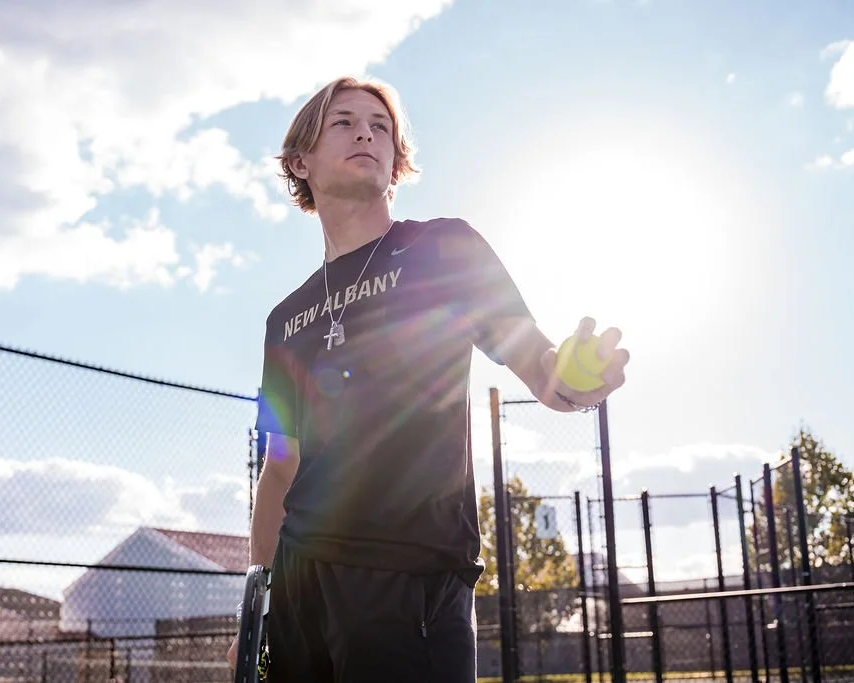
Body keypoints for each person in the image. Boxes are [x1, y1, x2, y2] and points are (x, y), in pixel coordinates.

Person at [227, 75, 629, 682]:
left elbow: (542, 367)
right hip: (298, 588)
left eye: (380, 125)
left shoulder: (443, 248)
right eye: (344, 121)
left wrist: (574, 377)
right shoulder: (284, 319)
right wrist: (256, 610)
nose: (366, 130)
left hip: (408, 573)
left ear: (396, 162)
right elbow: (281, 464)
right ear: (300, 161)